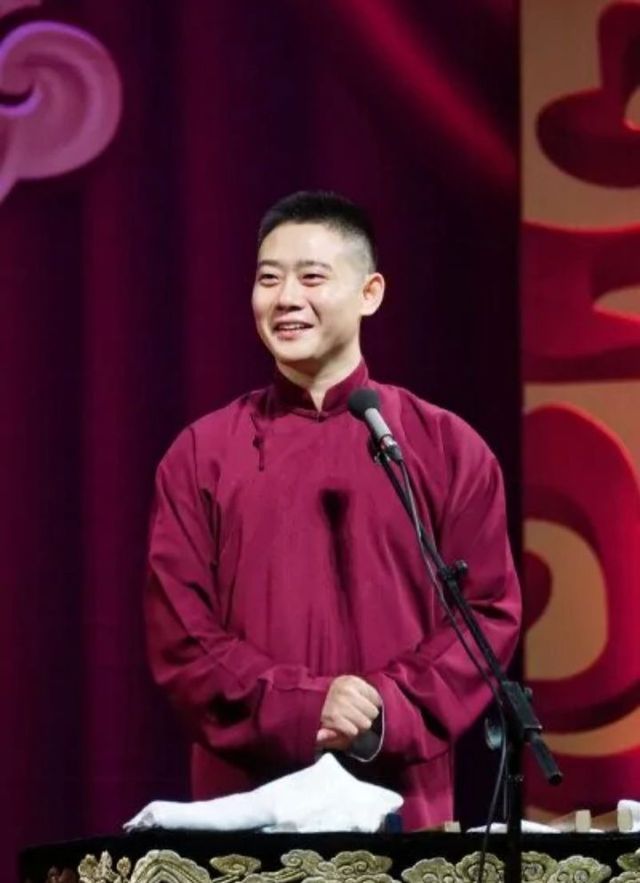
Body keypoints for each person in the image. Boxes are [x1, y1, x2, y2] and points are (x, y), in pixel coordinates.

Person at [145, 191, 521, 830]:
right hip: (248, 812)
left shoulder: (446, 448)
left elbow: (485, 613)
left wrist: (386, 708)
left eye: (312, 277)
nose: (285, 299)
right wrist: (308, 704)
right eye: (269, 279)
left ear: (370, 293)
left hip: (403, 802)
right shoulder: (201, 454)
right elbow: (182, 638)